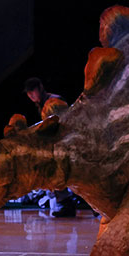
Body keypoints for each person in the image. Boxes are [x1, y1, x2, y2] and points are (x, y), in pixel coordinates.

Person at [23, 78, 75, 217]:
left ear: (40, 87)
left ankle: (87, 206)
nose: (30, 95)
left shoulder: (54, 101)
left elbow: (63, 124)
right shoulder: (42, 104)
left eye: (32, 91)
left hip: (66, 143)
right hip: (57, 144)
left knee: (71, 174)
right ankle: (66, 204)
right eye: (28, 93)